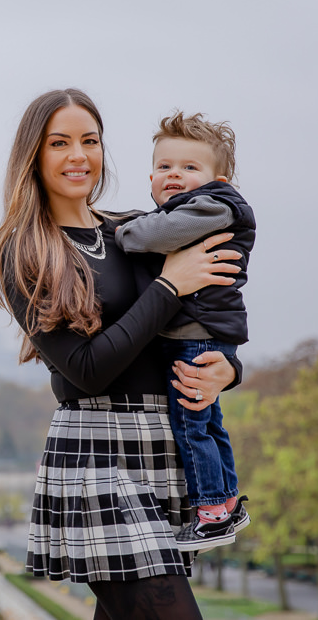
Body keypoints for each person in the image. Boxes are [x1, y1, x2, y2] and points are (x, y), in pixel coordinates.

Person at [0, 89, 243, 620]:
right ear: (33, 156)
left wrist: (228, 370)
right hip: (97, 451)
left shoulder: (134, 232)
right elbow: (86, 370)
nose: (78, 155)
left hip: (163, 443)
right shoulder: (27, 250)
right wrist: (168, 287)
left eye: (90, 141)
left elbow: (207, 312)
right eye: (59, 143)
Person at [114, 111, 255, 552]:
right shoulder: (202, 207)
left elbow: (157, 234)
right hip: (207, 332)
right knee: (208, 422)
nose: (174, 174)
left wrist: (121, 231)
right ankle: (227, 501)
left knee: (191, 424)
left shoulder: (215, 206)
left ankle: (211, 511)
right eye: (165, 166)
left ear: (221, 179)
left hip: (197, 333)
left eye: (190, 167)